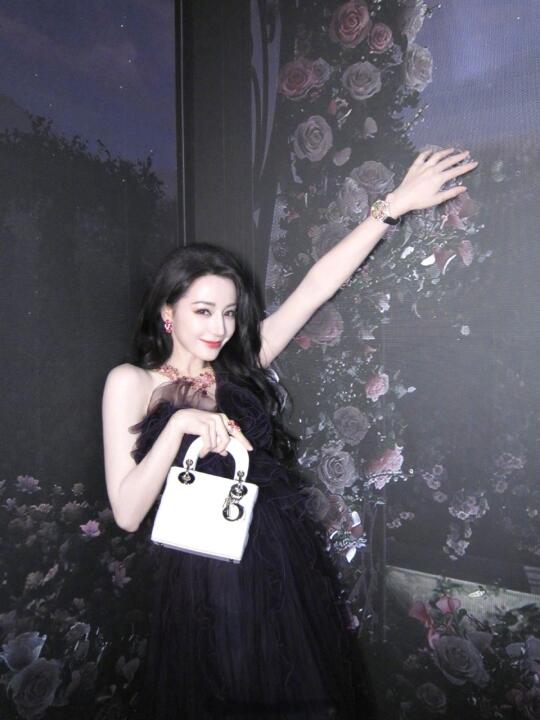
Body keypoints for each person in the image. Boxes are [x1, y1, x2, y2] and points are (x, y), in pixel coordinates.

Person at [102, 148, 478, 718]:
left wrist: (394, 206)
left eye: (229, 313)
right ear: (167, 313)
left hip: (278, 563)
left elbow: (315, 287)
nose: (220, 327)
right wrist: (179, 423)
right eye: (203, 311)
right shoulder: (131, 381)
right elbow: (128, 513)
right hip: (202, 580)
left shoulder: (241, 363)